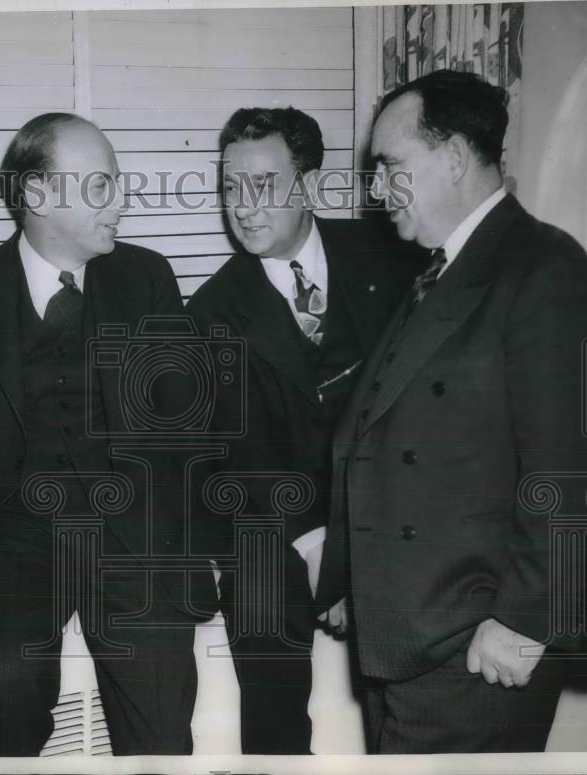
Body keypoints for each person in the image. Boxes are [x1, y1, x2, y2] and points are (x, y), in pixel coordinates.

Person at [315, 69, 587, 753]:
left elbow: (567, 465)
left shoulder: (544, 266)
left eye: (390, 166)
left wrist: (525, 622)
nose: (376, 188)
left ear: (450, 160)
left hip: (476, 653)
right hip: (408, 639)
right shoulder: (437, 270)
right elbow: (380, 438)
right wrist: (353, 580)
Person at [0, 112, 216, 756]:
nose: (119, 202)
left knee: (161, 731)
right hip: (18, 534)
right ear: (38, 196)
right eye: (101, 186)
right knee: (1, 700)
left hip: (134, 533)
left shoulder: (146, 277)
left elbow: (184, 427)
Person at [185, 107, 416, 754]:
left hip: (384, 501)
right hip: (275, 517)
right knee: (258, 589)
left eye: (264, 184)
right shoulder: (210, 312)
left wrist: (361, 543)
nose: (244, 206)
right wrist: (322, 549)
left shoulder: (388, 256)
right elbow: (241, 460)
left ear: (311, 187)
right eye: (232, 186)